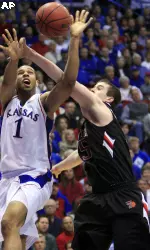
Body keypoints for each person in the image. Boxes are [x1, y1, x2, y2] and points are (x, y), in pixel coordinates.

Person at [19, 14, 149, 250]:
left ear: (109, 98)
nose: (91, 89)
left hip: (123, 196)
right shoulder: (91, 125)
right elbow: (81, 154)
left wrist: (36, 53)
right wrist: (59, 168)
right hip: (97, 198)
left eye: (98, 88)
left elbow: (65, 80)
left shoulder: (102, 109)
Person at [0, 10, 93, 250]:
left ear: (38, 82)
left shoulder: (43, 103)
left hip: (34, 176)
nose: (25, 74)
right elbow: (7, 83)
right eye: (21, 72)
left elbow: (68, 83)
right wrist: (14, 60)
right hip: (5, 179)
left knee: (9, 223)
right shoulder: (6, 102)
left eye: (29, 71)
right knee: (17, 237)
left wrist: (74, 39)